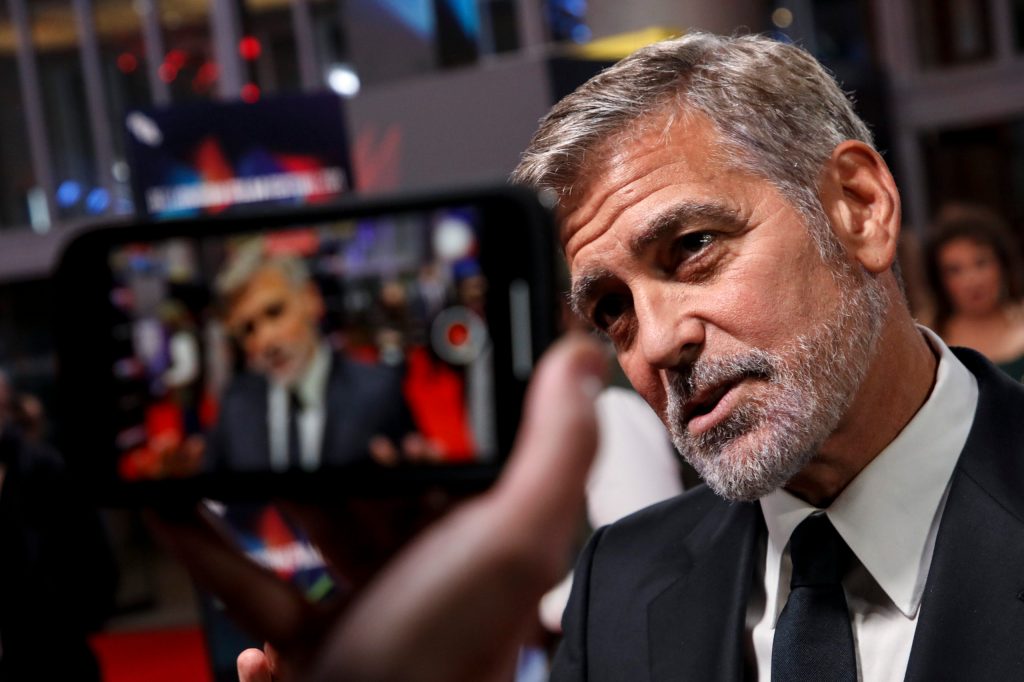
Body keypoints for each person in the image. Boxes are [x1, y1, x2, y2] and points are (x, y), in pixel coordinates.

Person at [154, 32, 1024, 680]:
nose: (655, 342)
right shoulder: (623, 584)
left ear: (859, 208)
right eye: (609, 309)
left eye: (691, 246)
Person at [205, 238, 417, 472]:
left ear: (311, 299)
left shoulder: (379, 392)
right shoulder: (236, 406)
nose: (265, 340)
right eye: (248, 329)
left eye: (275, 312)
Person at [924, 203, 1024, 380]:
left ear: (1002, 265)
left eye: (981, 263)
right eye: (955, 270)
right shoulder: (928, 345)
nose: (972, 281)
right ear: (940, 280)